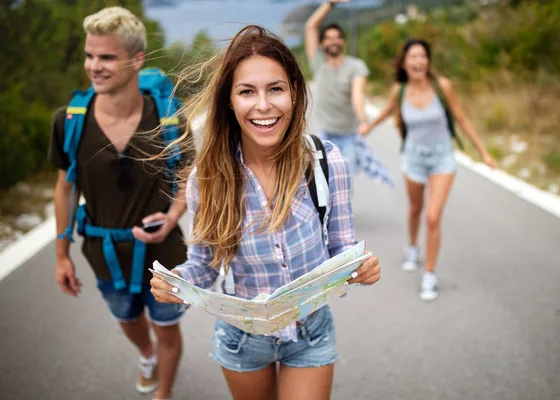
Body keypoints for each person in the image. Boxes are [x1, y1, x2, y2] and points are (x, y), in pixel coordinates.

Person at [149, 25, 381, 400]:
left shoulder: (325, 162)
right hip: (243, 341)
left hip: (310, 333)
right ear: (229, 101)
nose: (263, 105)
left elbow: (343, 248)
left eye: (275, 88)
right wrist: (179, 281)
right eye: (246, 92)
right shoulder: (207, 180)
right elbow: (204, 266)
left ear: (294, 93)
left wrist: (362, 265)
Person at [49, 7, 190, 400]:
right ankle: (146, 355)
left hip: (165, 252)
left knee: (166, 326)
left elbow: (187, 175)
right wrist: (62, 253)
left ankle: (164, 392)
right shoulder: (69, 120)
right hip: (102, 250)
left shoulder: (169, 118)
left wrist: (174, 215)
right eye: (90, 55)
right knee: (127, 319)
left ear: (136, 59)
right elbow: (65, 187)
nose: (94, 66)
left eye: (107, 57)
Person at [361, 38, 496, 301]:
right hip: (413, 158)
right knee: (415, 209)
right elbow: (387, 112)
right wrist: (369, 127)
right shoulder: (399, 90)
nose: (418, 61)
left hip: (442, 158)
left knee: (433, 217)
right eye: (413, 57)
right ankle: (412, 246)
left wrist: (484, 152)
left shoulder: (442, 86)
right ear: (404, 62)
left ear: (428, 61)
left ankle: (429, 275)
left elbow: (461, 117)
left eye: (422, 56)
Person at [304, 0, 369, 175]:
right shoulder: (318, 62)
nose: (333, 41)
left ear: (343, 41)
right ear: (322, 43)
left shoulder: (356, 66)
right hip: (325, 135)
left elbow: (358, 96)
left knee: (344, 182)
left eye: (337, 37)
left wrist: (363, 119)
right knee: (323, 183)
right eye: (328, 38)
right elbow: (311, 26)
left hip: (349, 135)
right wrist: (330, 3)